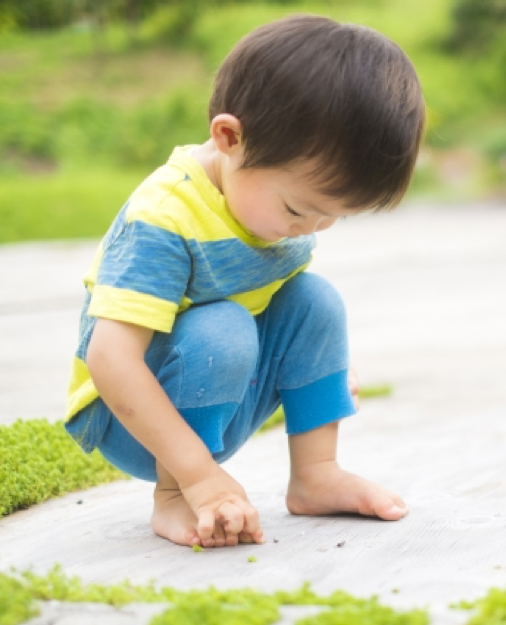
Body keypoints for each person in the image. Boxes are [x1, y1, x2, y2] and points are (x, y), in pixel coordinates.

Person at [63, 14, 425, 549]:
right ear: (230, 137)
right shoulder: (164, 219)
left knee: (315, 298)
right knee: (224, 324)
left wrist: (319, 375)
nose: (313, 228)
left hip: (221, 396)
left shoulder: (269, 202)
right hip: (132, 418)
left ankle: (316, 474)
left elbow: (292, 317)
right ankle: (174, 496)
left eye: (334, 216)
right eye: (300, 209)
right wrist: (198, 476)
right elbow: (110, 360)